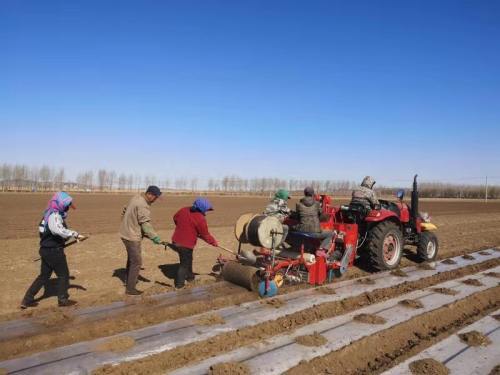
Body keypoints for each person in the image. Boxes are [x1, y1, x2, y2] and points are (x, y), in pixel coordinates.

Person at [21, 192, 84, 308]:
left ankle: (27, 299)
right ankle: (62, 299)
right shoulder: (54, 216)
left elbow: (43, 232)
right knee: (64, 275)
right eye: (66, 205)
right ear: (60, 204)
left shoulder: (47, 214)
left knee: (43, 276)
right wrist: (74, 234)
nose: (67, 208)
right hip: (54, 251)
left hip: (46, 250)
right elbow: (58, 230)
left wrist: (60, 241)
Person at [119, 185, 164, 295]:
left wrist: (125, 223)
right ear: (149, 194)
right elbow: (145, 225)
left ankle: (128, 279)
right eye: (155, 197)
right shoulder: (143, 205)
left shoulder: (135, 198)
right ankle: (130, 288)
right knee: (137, 262)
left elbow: (124, 209)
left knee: (131, 259)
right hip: (132, 236)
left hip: (124, 232)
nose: (156, 200)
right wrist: (155, 238)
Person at [170, 197, 218, 289]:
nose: (207, 211)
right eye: (206, 210)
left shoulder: (183, 210)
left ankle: (190, 278)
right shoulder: (200, 218)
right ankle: (179, 285)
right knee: (184, 264)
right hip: (185, 244)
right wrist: (213, 242)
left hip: (175, 240)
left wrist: (182, 226)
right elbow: (205, 235)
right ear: (202, 208)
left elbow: (175, 218)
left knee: (188, 259)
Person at [293, 187, 333, 251]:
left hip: (301, 229)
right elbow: (321, 216)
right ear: (312, 194)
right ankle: (321, 249)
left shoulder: (299, 204)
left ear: (304, 194)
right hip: (314, 231)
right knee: (330, 233)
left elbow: (298, 217)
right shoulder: (317, 204)